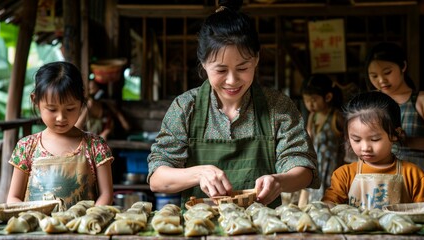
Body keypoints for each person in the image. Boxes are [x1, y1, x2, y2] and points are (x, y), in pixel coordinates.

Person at [147, 0, 320, 209]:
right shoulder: (185, 108)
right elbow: (157, 178)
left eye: (242, 68)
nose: (232, 80)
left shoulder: (278, 106)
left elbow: (304, 169)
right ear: (204, 64)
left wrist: (279, 181)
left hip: (262, 229)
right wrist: (199, 173)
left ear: (256, 59)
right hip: (201, 229)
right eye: (220, 70)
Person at [7, 61, 114, 209]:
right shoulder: (26, 147)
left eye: (70, 109)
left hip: (83, 228)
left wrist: (88, 220)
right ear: (35, 101)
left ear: (81, 102)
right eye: (52, 109)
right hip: (36, 230)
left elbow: (106, 195)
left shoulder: (95, 145)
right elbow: (13, 197)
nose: (61, 118)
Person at [322, 91, 424, 210]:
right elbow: (328, 205)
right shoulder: (344, 175)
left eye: (375, 139)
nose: (365, 148)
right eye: (356, 139)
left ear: (396, 134)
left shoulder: (413, 174)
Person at [365, 42, 424, 169]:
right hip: (381, 178)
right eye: (374, 76)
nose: (381, 80)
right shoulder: (371, 102)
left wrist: (407, 141)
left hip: (417, 175)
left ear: (403, 66)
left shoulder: (419, 100)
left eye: (387, 72)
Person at [300, 74, 344, 204]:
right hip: (317, 169)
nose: (309, 104)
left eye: (313, 100)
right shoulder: (312, 117)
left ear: (328, 97)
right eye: (306, 100)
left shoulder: (337, 117)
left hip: (334, 169)